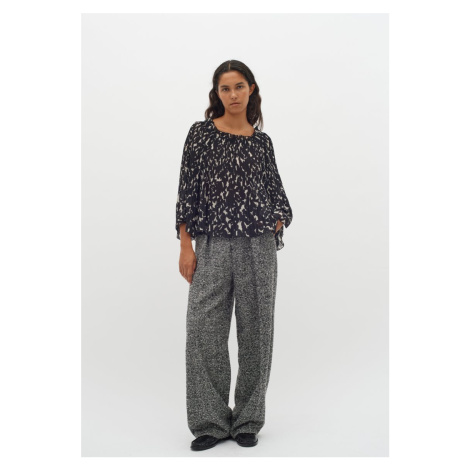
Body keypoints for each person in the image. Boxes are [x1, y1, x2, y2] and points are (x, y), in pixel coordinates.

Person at [175, 60, 293, 451]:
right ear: (217, 93)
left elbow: (276, 190)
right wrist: (185, 244)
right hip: (211, 244)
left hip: (257, 245)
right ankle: (209, 423)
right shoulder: (200, 134)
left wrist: (277, 218)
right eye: (225, 88)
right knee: (203, 331)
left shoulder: (262, 142)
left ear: (251, 89)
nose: (233, 94)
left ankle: (247, 420)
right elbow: (187, 190)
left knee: (257, 332)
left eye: (239, 86)